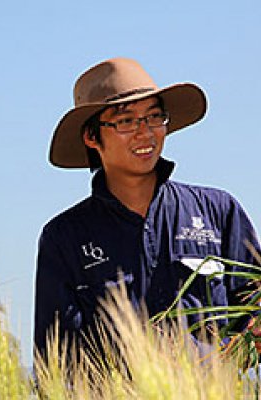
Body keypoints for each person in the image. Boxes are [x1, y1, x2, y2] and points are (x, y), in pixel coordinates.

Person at [34, 57, 261, 363]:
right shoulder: (65, 237)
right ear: (91, 136)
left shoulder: (219, 212)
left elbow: (252, 309)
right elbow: (56, 358)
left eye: (154, 117)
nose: (145, 133)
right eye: (126, 121)